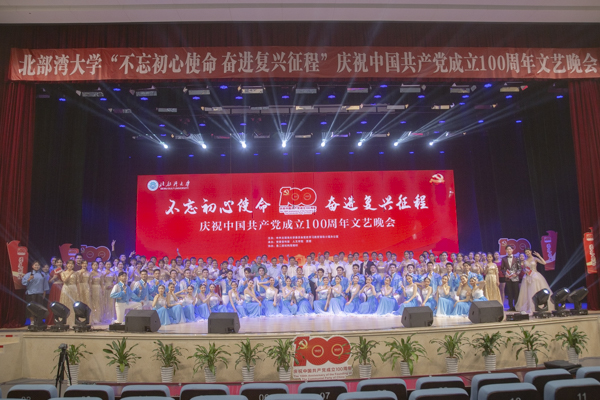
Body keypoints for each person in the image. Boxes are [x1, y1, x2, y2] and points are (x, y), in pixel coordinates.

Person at [515, 249, 554, 314]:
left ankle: (538, 304)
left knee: (535, 289)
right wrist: (525, 271)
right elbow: (524, 268)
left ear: (530, 251)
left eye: (528, 251)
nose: (527, 253)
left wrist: (539, 256)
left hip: (535, 276)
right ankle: (530, 305)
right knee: (528, 292)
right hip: (527, 277)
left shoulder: (535, 259)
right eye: (526, 252)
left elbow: (544, 263)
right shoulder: (525, 260)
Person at [59, 260, 80, 325]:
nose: (70, 265)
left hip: (73, 288)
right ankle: (65, 321)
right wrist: (70, 273)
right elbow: (64, 280)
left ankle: (73, 321)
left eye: (72, 264)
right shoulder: (63, 273)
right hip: (66, 288)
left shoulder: (76, 273)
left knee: (73, 304)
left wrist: (78, 291)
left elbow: (78, 283)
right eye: (69, 264)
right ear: (66, 265)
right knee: (65, 303)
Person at [501, 245, 521, 311]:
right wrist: (505, 274)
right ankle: (511, 307)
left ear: (512, 250)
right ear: (506, 250)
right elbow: (502, 269)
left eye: (510, 249)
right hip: (508, 278)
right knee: (509, 293)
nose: (509, 250)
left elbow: (519, 268)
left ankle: (517, 306)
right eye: (507, 249)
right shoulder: (504, 259)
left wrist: (516, 274)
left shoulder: (516, 258)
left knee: (516, 292)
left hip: (515, 278)